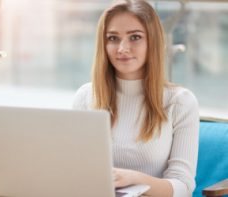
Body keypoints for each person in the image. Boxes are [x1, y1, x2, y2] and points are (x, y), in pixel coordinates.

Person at [72, 0, 199, 197]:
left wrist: (135, 179)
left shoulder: (180, 102)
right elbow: (76, 169)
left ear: (153, 42)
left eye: (135, 37)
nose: (122, 48)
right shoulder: (86, 96)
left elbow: (183, 188)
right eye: (113, 38)